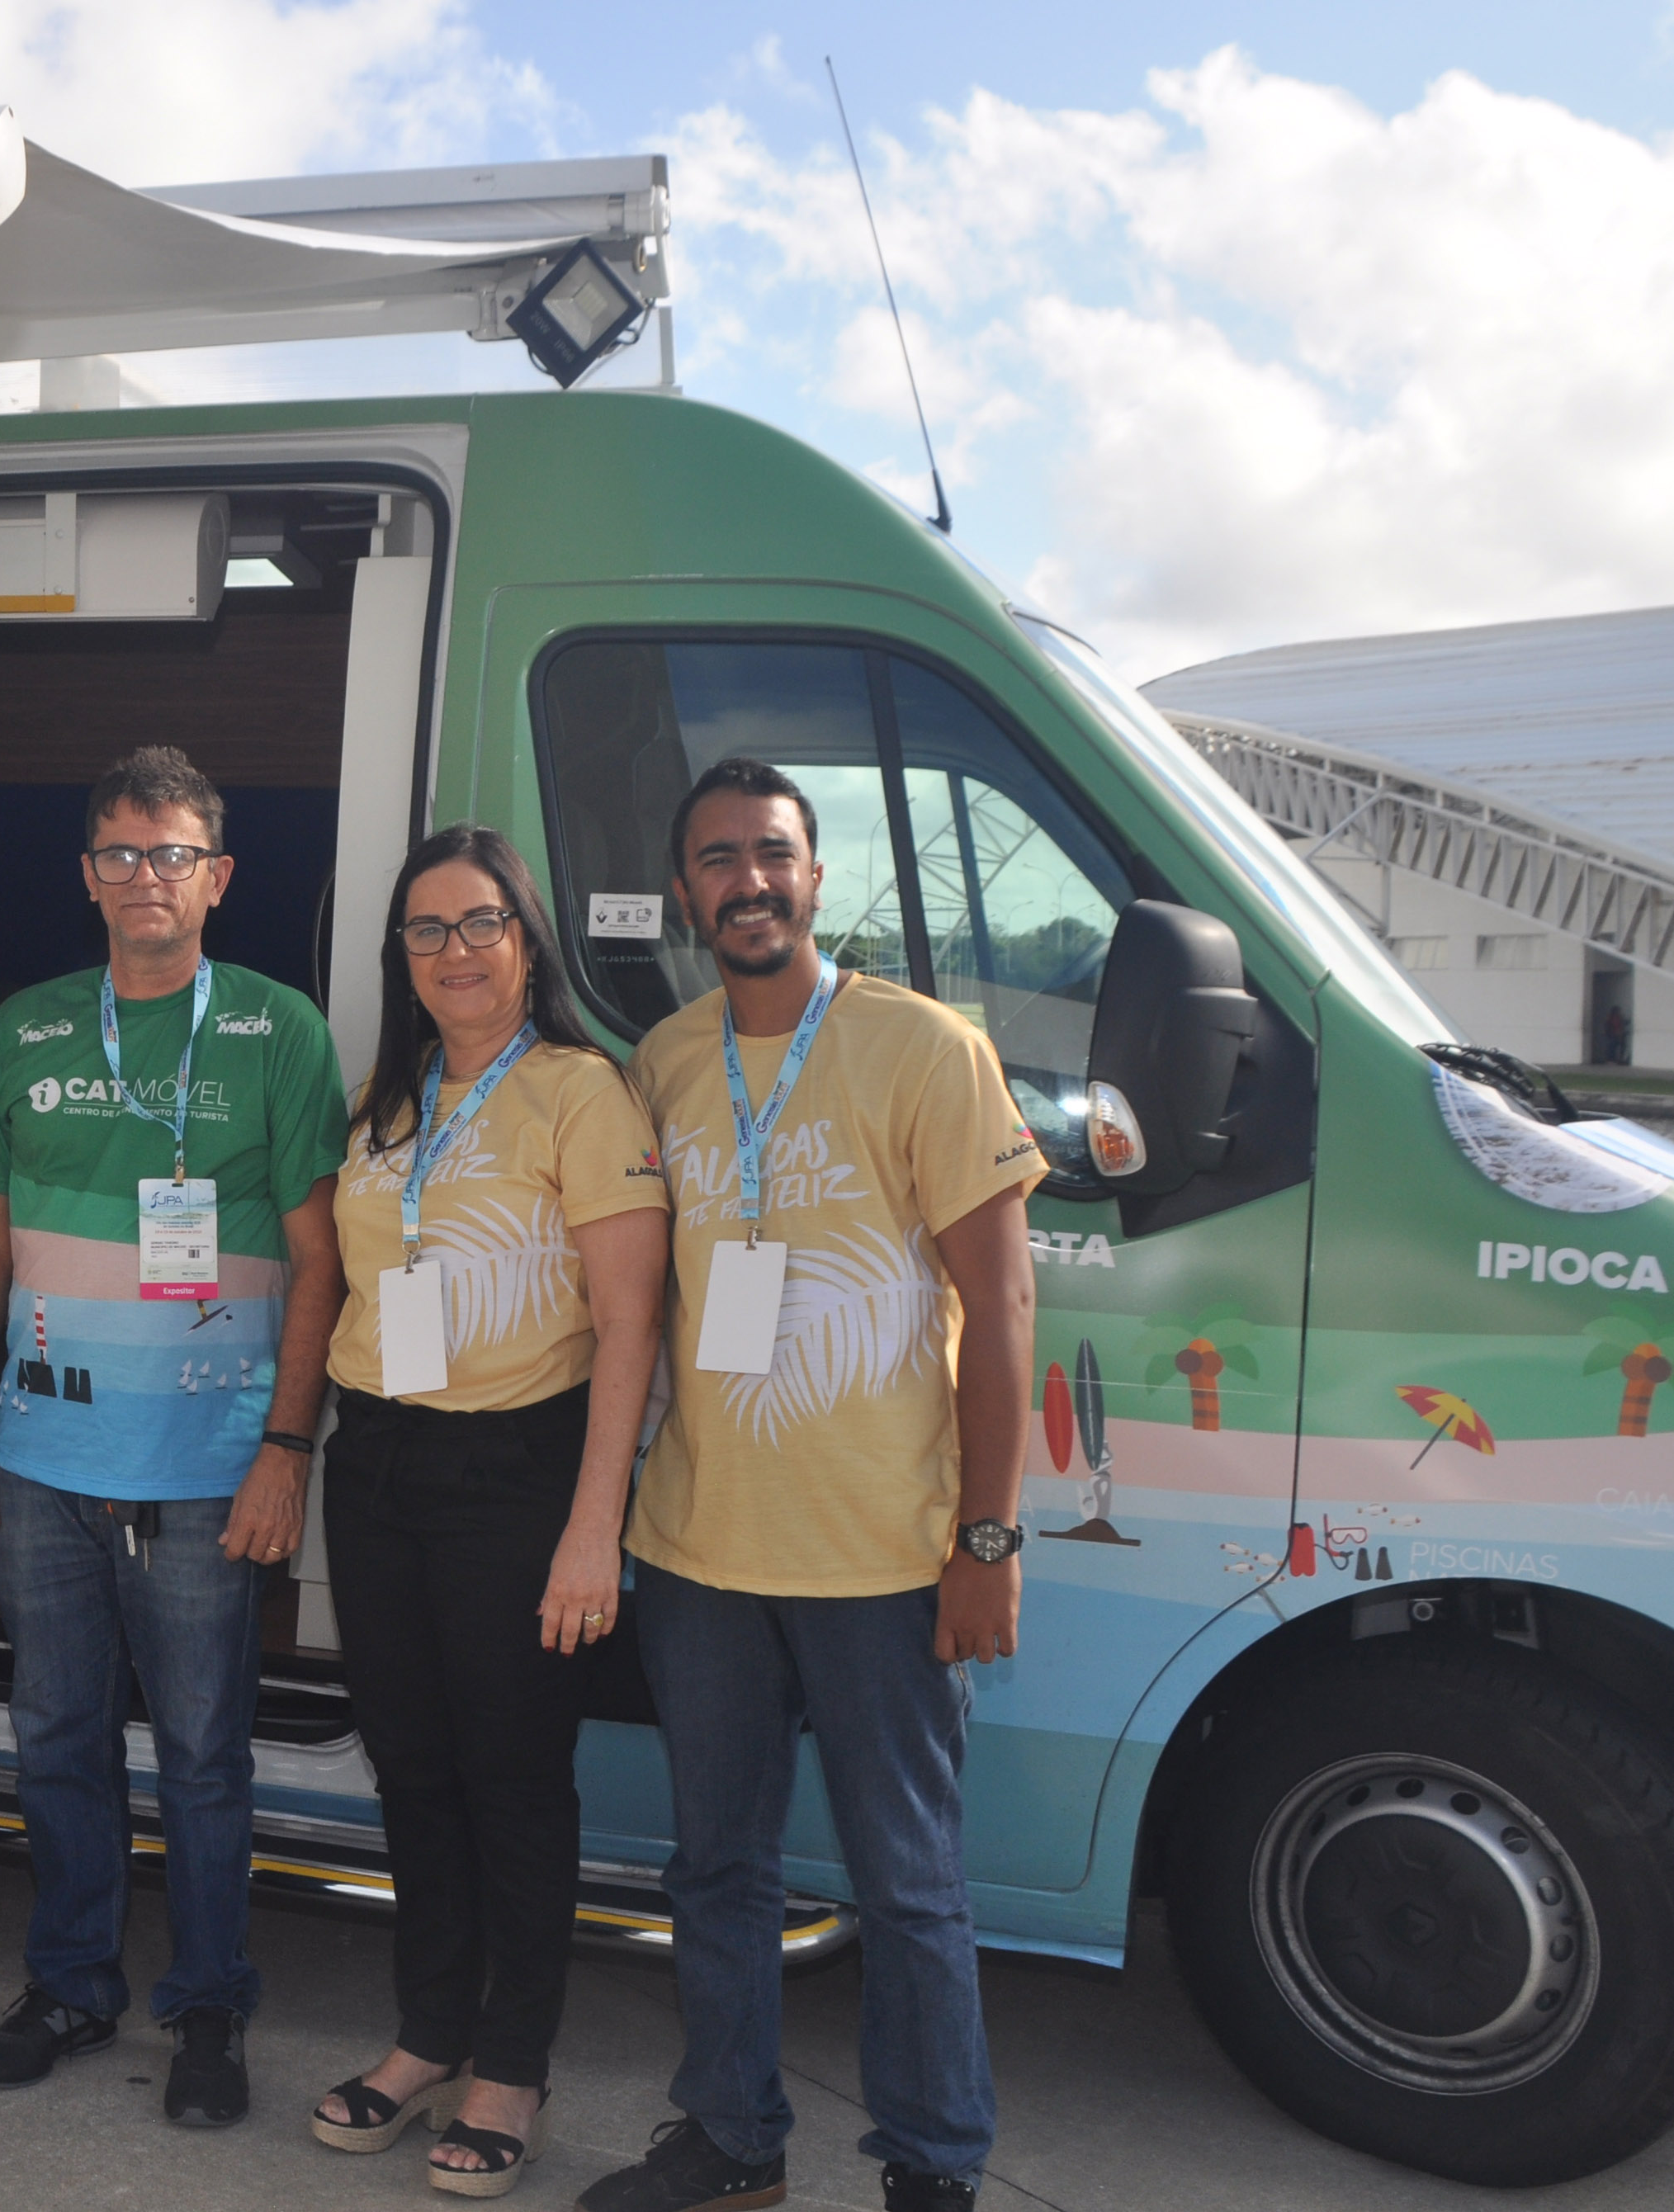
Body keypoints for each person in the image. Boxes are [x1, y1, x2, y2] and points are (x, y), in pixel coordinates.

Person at [576, 760, 1042, 2212]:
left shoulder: (924, 1049)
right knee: (713, 1869)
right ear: (684, 893)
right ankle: (731, 2141)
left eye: (770, 853)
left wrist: (986, 1537)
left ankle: (932, 2167)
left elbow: (1004, 1305)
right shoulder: (663, 1059)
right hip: (702, 1549)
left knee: (908, 1887)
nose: (747, 881)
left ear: (815, 876)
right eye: (716, 859)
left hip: (884, 1558)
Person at [0, 744, 351, 2128]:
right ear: (86, 876)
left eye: (169, 854)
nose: (141, 878)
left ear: (216, 878)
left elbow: (317, 1258)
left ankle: (209, 2005)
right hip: (41, 1462)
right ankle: (69, 1984)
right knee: (53, 1735)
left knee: (201, 1754)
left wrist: (285, 1449)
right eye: (117, 853)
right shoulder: (25, 1028)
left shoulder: (279, 1032)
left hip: (208, 1472)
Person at [310, 825, 668, 2197]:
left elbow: (628, 1327)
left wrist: (593, 1526)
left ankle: (509, 2067)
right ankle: (424, 2039)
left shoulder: (583, 1093)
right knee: (411, 1768)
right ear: (400, 959)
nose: (452, 953)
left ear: (526, 938)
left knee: (512, 1782)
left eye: (478, 925)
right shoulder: (385, 1096)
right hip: (383, 1465)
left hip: (520, 1474)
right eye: (424, 931)